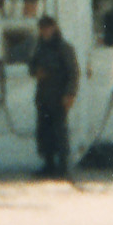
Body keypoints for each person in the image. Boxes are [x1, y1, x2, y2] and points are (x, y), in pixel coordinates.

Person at [28, 15, 79, 177]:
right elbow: (31, 66)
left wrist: (70, 93)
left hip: (59, 95)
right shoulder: (39, 47)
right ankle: (48, 165)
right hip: (43, 95)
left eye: (48, 27)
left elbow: (73, 73)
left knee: (60, 132)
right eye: (42, 28)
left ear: (55, 28)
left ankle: (63, 168)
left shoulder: (64, 48)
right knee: (44, 132)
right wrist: (36, 72)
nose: (45, 31)